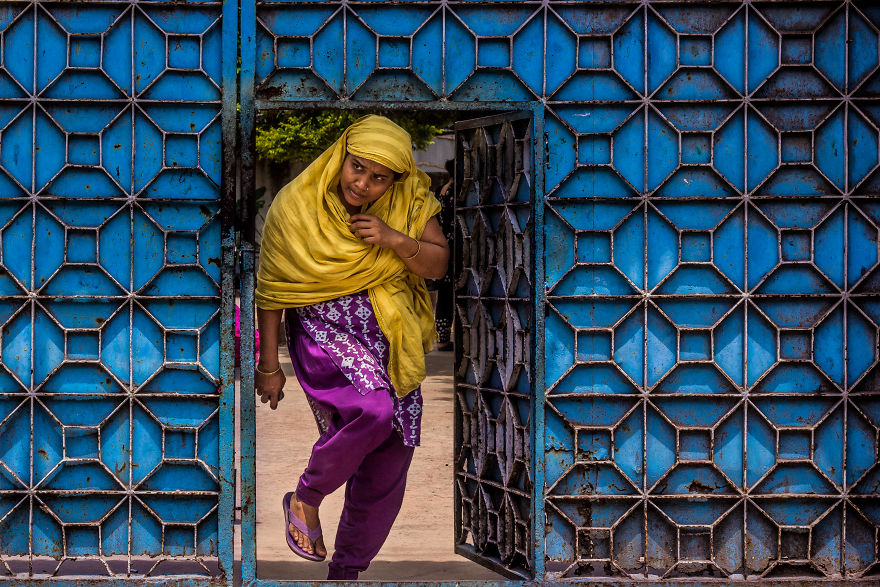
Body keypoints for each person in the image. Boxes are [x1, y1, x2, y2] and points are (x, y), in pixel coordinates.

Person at [253, 115, 449, 581]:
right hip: (326, 330)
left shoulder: (413, 199)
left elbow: (438, 265)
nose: (363, 183)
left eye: (380, 178)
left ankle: (346, 573)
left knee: (390, 457)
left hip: (391, 334)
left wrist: (394, 238)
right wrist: (267, 364)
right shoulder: (295, 204)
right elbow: (273, 288)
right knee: (373, 411)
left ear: (397, 180)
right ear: (343, 156)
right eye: (357, 168)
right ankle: (307, 496)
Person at [432, 159, 455, 351]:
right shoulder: (459, 191)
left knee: (444, 295)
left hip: (442, 242)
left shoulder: (440, 190)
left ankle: (442, 338)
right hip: (458, 244)